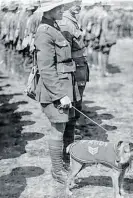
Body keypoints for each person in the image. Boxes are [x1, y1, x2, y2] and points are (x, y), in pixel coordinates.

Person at [34, 0, 80, 184]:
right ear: (49, 10)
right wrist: (60, 95)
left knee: (68, 125)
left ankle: (66, 163)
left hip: (65, 85)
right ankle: (57, 170)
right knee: (58, 128)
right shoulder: (44, 32)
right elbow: (45, 69)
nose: (63, 10)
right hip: (54, 90)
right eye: (59, 8)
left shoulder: (54, 27)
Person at [58, 0, 89, 164]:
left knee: (76, 109)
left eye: (80, 1)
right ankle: (67, 154)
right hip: (73, 72)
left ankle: (70, 146)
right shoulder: (65, 22)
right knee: (71, 111)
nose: (79, 4)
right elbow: (64, 55)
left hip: (79, 69)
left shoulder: (72, 20)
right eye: (75, 2)